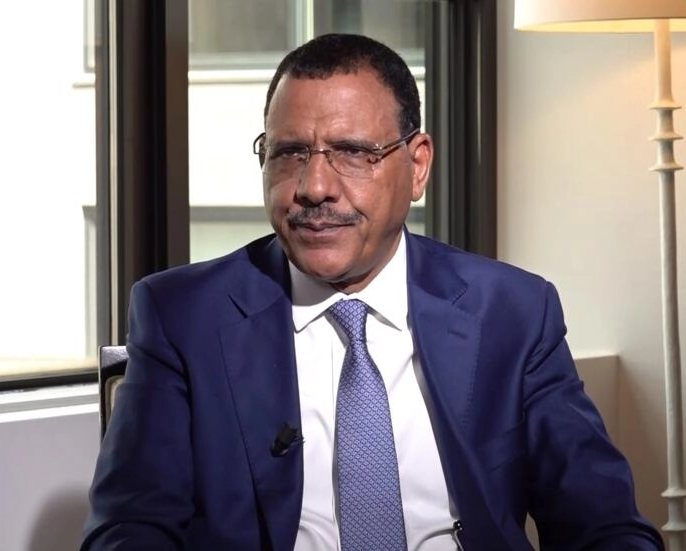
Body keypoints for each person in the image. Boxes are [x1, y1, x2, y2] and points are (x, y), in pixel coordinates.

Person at [81, 33, 662, 551]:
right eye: (290, 153)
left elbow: (602, 522)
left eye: (353, 153)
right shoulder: (183, 316)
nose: (314, 187)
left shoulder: (513, 312)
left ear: (418, 166)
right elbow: (128, 531)